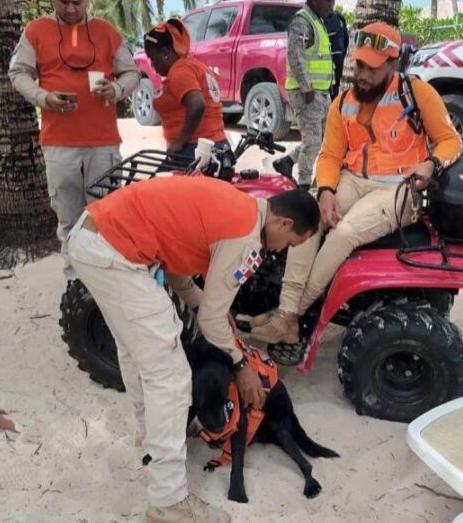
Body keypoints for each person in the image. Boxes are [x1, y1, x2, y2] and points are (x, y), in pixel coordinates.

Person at [67, 177, 319, 523]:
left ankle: (149, 434)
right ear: (283, 223)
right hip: (115, 253)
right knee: (170, 374)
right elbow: (212, 324)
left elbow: (177, 266)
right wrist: (240, 364)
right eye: (290, 242)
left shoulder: (238, 206)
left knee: (134, 350)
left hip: (93, 235)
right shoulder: (247, 237)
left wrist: (206, 305)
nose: (280, 251)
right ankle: (167, 500)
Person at [250, 22, 463, 346]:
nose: (362, 74)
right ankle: (287, 309)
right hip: (352, 179)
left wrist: (431, 164)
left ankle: (290, 315)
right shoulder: (343, 102)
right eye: (359, 64)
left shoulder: (417, 92)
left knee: (345, 233)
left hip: (399, 189)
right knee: (307, 216)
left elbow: (451, 141)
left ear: (393, 65)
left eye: (372, 67)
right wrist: (325, 191)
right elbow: (330, 154)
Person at [9, 0, 140, 280]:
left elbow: (133, 72)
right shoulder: (36, 30)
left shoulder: (107, 31)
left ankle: (103, 279)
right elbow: (18, 72)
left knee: (104, 218)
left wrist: (116, 89)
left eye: (76, 3)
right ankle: (75, 282)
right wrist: (44, 98)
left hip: (102, 143)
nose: (70, 9)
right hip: (59, 144)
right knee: (68, 219)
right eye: (63, 2)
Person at [275, 0, 338, 189]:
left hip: (319, 92)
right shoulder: (302, 21)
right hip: (308, 93)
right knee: (312, 142)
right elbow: (295, 55)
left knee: (320, 140)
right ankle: (303, 187)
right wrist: (307, 88)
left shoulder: (317, 21)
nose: (331, 4)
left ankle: (288, 161)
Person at [144, 19, 229, 159]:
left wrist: (179, 142)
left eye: (152, 58)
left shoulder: (180, 71)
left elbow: (197, 105)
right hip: (217, 144)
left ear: (166, 53)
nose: (152, 65)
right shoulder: (195, 66)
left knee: (159, 181)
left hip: (194, 149)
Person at [324, 10, 349, 99]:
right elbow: (346, 38)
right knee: (337, 85)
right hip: (339, 55)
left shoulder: (319, 18)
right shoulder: (340, 17)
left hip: (328, 57)